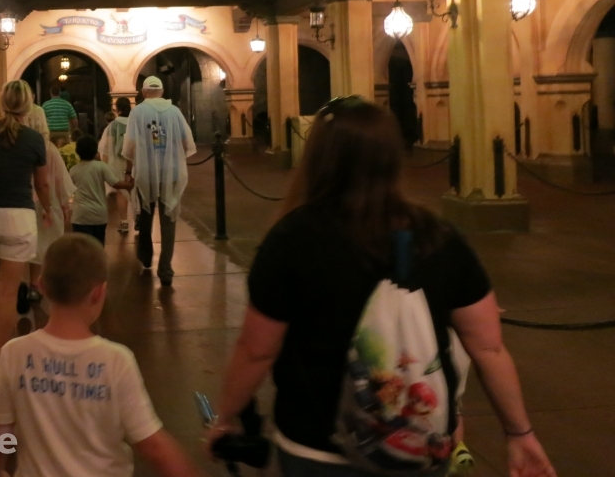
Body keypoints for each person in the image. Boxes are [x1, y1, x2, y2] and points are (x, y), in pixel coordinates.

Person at [205, 97, 556, 477]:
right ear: (391, 157)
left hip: (318, 447)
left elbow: (256, 351)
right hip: (416, 447)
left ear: (318, 156)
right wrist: (519, 434)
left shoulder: (292, 239)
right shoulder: (438, 237)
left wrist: (224, 419)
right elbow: (488, 347)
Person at [0, 234, 204, 477]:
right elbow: (154, 447)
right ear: (99, 293)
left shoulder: (13, 354)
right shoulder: (116, 361)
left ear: (42, 285)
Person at [0, 80, 54, 395]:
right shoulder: (35, 139)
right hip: (19, 217)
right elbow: (43, 185)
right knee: (10, 293)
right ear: (29, 105)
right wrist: (47, 210)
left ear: (1, 101)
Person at [122, 76, 196, 287]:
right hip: (170, 171)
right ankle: (166, 269)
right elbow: (185, 142)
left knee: (145, 216)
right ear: (162, 91)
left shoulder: (138, 112)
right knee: (168, 219)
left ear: (144, 92)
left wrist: (130, 171)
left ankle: (146, 257)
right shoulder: (174, 112)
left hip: (146, 172)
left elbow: (131, 146)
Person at [26, 103, 76, 304]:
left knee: (31, 246)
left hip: (24, 201)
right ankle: (41, 284)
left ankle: (30, 285)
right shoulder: (50, 148)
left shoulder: (20, 146)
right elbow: (59, 181)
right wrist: (63, 205)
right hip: (48, 203)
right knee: (47, 244)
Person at [70, 135, 134, 246]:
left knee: (82, 247)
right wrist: (130, 185)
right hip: (98, 214)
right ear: (96, 151)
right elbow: (115, 183)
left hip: (80, 215)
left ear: (77, 152)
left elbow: (69, 189)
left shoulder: (73, 170)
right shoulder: (101, 166)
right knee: (98, 245)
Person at [100, 97, 133, 234]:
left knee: (121, 191)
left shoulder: (112, 126)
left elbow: (106, 148)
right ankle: (138, 219)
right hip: (135, 161)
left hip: (118, 162)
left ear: (117, 109)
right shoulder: (135, 123)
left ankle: (124, 221)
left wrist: (105, 166)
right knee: (138, 191)